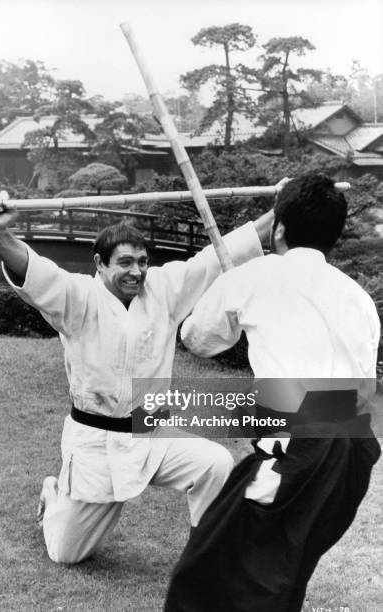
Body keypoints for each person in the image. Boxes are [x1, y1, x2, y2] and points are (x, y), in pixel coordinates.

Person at [0, 192, 272, 564]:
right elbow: (34, 271)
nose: (137, 271)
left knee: (215, 463)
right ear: (100, 264)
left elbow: (215, 256)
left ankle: (209, 555)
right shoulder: (77, 297)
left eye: (143, 262)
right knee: (67, 553)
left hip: (151, 433)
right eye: (126, 262)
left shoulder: (163, 290)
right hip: (96, 443)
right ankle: (54, 495)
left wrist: (283, 210)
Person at [164, 172, 381, 612]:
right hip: (353, 456)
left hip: (299, 450)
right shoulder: (357, 297)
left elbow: (196, 338)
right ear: (335, 235)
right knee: (278, 575)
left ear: (278, 228)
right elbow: (354, 393)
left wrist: (235, 293)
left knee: (205, 572)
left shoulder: (256, 274)